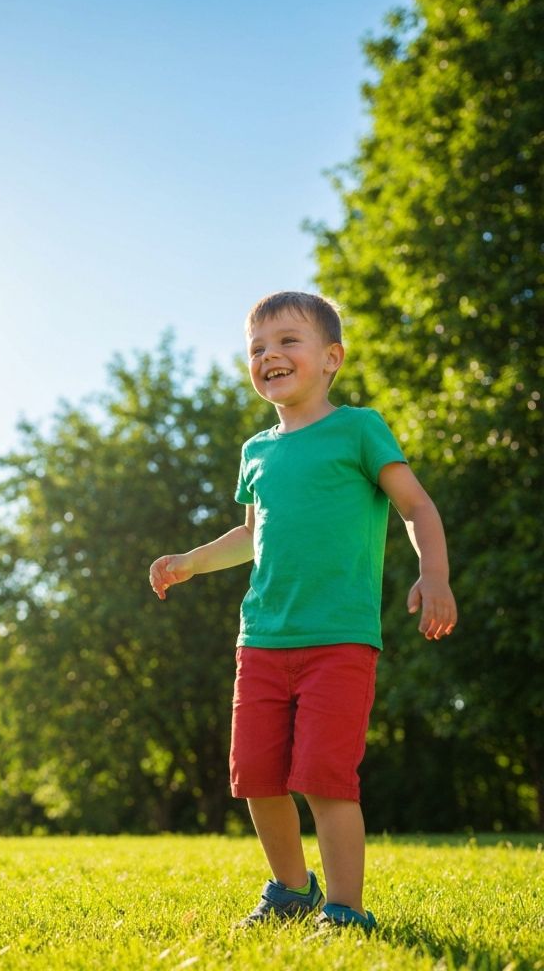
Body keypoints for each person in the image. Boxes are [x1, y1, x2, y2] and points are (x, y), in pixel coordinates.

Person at [148, 291, 456, 932]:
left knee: (324, 777)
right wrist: (190, 561)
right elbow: (252, 536)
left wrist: (433, 574)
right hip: (260, 639)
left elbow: (416, 507)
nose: (270, 356)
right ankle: (292, 889)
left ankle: (345, 907)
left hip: (338, 640)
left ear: (330, 357)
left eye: (288, 341)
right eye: (257, 348)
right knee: (256, 776)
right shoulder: (257, 451)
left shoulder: (360, 429)